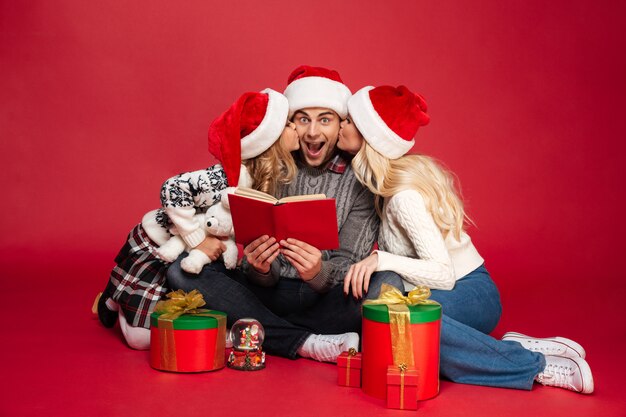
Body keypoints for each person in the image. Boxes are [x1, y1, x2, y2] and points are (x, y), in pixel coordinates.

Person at [337, 84, 594, 394]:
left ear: (370, 136)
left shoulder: (403, 196)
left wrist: (381, 259)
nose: (340, 124)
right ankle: (501, 344)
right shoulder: (384, 184)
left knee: (409, 332)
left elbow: (444, 275)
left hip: (470, 290)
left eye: (349, 120)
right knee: (391, 335)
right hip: (444, 295)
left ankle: (534, 364)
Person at [167, 66, 404, 362]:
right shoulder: (272, 164)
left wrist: (318, 272)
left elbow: (350, 265)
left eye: (325, 120)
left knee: (389, 283)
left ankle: (260, 330)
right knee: (181, 271)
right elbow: (254, 260)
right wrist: (260, 268)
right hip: (266, 296)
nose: (313, 132)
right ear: (289, 123)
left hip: (326, 302)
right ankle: (305, 342)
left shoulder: (360, 178)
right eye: (303, 119)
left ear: (341, 124)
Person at [96, 88, 299, 350]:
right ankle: (115, 298)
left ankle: (126, 296)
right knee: (141, 340)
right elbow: (172, 187)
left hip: (188, 258)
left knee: (173, 314)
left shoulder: (266, 179)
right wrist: (198, 239)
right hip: (156, 245)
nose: (296, 128)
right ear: (269, 139)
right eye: (289, 124)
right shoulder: (224, 177)